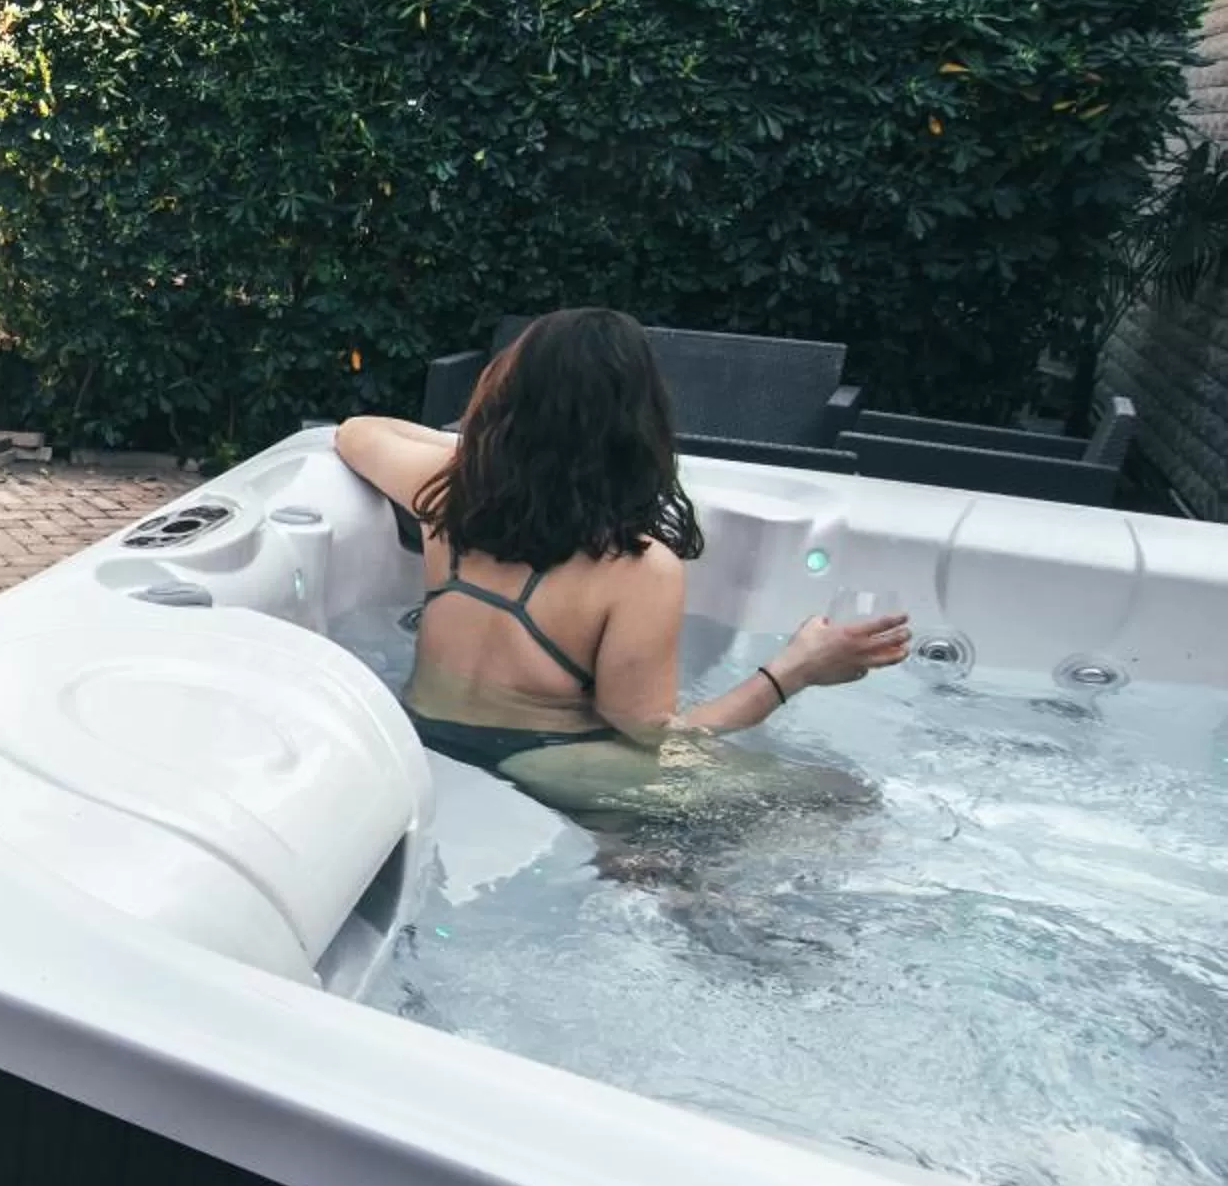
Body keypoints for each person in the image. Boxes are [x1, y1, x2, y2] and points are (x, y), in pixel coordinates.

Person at [333, 308, 909, 818]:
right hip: (550, 768)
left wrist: (501, 460)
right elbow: (656, 739)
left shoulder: (447, 498)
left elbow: (358, 432)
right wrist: (795, 671)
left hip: (422, 739)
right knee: (845, 795)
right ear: (637, 426)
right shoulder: (637, 568)